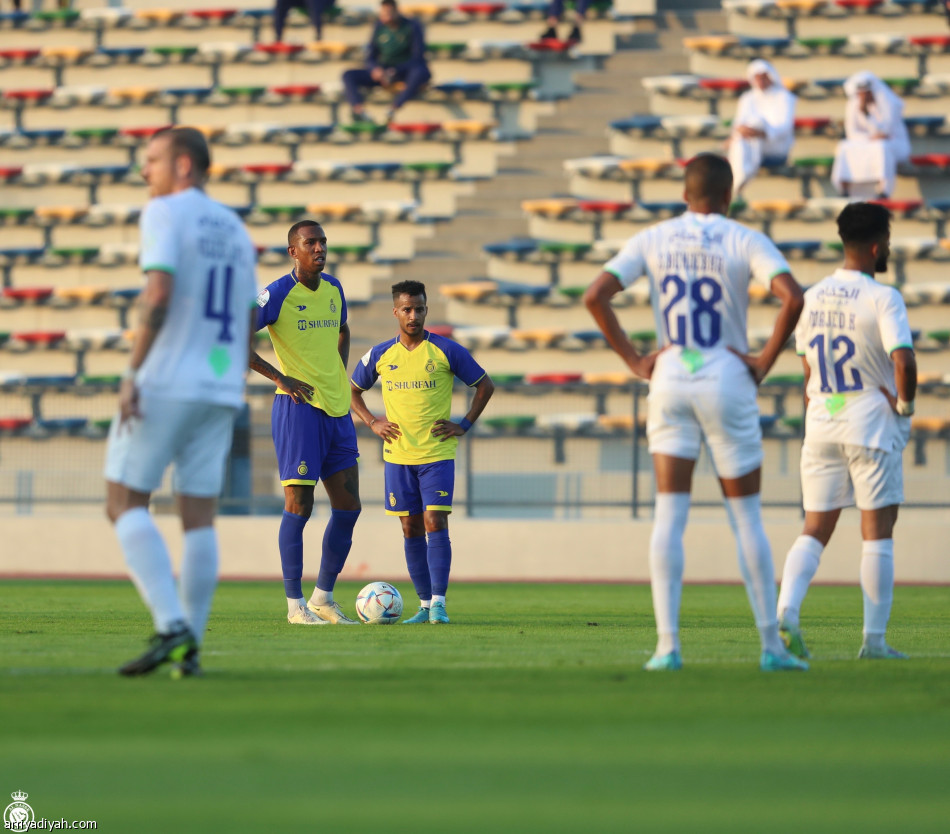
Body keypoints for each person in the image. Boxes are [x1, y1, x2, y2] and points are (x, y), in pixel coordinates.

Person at [584, 153, 808, 672]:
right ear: (728, 196)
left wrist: (637, 360)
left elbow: (596, 295)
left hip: (670, 376)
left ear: (685, 194)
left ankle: (667, 647)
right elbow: (792, 297)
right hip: (726, 374)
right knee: (746, 517)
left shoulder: (655, 237)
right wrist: (762, 362)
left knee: (669, 514)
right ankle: (771, 648)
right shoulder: (743, 238)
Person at [105, 127, 258, 678]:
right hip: (219, 386)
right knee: (198, 518)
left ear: (184, 165)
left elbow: (159, 292)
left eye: (153, 160)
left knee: (122, 501)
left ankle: (170, 625)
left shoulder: (165, 212)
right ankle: (190, 646)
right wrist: (230, 379)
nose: (145, 171)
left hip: (167, 379)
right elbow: (247, 318)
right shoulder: (237, 230)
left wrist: (132, 372)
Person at [777, 202, 916, 661]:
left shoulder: (812, 296)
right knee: (877, 531)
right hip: (869, 424)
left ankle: (786, 612)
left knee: (814, 528)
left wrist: (817, 412)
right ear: (878, 246)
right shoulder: (883, 297)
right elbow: (904, 361)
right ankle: (874, 642)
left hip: (821, 421)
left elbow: (806, 371)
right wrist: (905, 407)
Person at [350, 281, 494, 624]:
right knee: (410, 528)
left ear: (426, 310)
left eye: (419, 309)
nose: (413, 315)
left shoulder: (446, 350)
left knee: (434, 521)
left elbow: (485, 385)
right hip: (398, 457)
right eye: (407, 309)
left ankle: (440, 604)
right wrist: (372, 422)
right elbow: (352, 390)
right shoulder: (380, 354)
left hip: (436, 453)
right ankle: (426, 605)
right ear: (396, 311)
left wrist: (465, 424)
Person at [251, 220, 362, 625]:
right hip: (298, 410)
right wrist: (279, 376)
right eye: (310, 243)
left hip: (337, 410)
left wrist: (338, 370)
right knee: (300, 504)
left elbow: (343, 329)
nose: (319, 248)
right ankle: (294, 605)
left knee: (349, 506)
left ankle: (322, 598)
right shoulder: (277, 293)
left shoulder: (334, 289)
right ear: (292, 252)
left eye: (323, 242)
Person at [342, 0, 431, 125]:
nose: (386, 16)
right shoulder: (379, 27)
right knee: (348, 75)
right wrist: (375, 69)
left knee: (420, 72)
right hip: (384, 71)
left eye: (389, 13)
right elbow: (371, 55)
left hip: (404, 70)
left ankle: (394, 107)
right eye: (383, 13)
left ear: (396, 11)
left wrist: (394, 72)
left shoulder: (412, 26)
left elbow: (418, 57)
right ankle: (359, 111)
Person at [831, 71, 911, 199]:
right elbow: (852, 132)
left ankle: (883, 190)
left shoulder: (888, 103)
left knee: (881, 147)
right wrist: (868, 135)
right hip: (866, 142)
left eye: (866, 92)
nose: (863, 96)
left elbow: (886, 131)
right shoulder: (853, 104)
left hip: (894, 143)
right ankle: (844, 189)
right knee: (844, 146)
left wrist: (867, 115)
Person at [726, 60, 796, 198]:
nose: (761, 81)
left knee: (757, 123)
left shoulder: (784, 97)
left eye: (764, 77)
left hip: (776, 146)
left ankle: (738, 181)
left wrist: (760, 133)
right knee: (741, 141)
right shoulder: (747, 98)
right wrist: (747, 132)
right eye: (757, 78)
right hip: (750, 143)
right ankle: (739, 181)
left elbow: (784, 128)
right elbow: (738, 125)